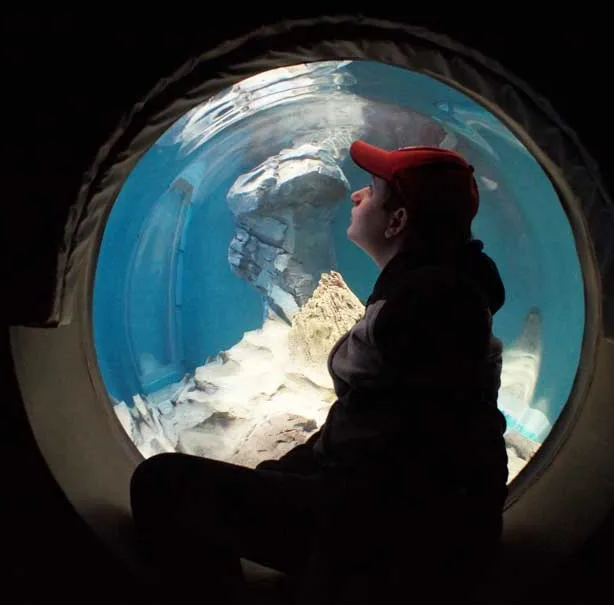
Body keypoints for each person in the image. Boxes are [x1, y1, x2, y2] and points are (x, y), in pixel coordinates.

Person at [129, 140, 508, 605]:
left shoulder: (428, 306)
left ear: (398, 221)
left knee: (160, 482)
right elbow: (372, 427)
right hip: (397, 521)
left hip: (394, 541)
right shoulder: (439, 289)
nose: (355, 197)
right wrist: (279, 475)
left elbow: (400, 473)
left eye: (370, 190)